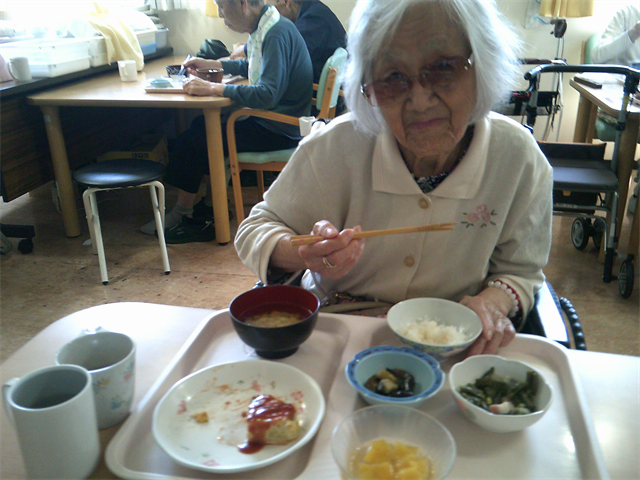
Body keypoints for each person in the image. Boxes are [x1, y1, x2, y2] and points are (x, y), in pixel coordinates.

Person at [235, 0, 553, 356]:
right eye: (392, 78)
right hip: (338, 333)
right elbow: (255, 228)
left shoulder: (518, 159)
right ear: (367, 86)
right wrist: (304, 255)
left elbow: (522, 271)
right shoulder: (335, 147)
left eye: (444, 67)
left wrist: (493, 301)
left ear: (483, 66)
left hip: (451, 342)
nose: (419, 100)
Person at [141, 0, 313, 243]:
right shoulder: (267, 25)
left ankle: (185, 215)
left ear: (243, 4)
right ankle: (198, 207)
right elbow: (252, 65)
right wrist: (213, 64)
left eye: (222, 7)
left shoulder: (275, 33)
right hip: (280, 122)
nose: (221, 15)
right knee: (200, 127)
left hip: (279, 128)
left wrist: (213, 87)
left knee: (191, 141)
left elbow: (266, 94)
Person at [230, 0, 346, 84]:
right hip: (323, 94)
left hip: (311, 106)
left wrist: (246, 49)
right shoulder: (314, 10)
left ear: (286, 2)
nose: (271, 14)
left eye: (273, 7)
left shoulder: (312, 20)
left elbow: (279, 57)